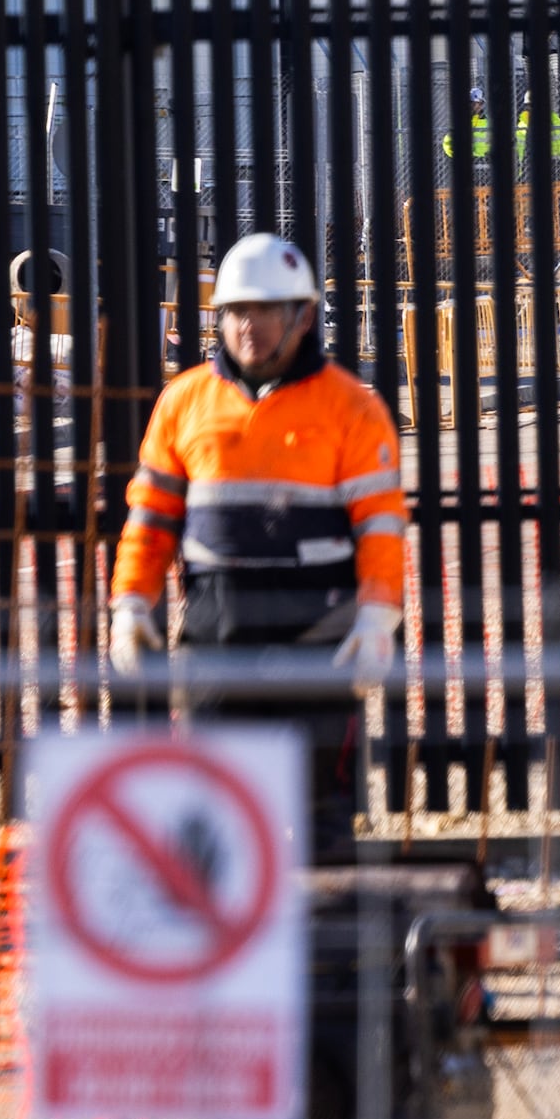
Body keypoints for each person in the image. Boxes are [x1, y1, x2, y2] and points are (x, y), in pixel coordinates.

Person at [106, 232, 405, 854]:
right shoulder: (184, 402)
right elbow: (152, 516)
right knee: (216, 805)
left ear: (304, 317)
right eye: (237, 310)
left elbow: (380, 523)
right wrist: (131, 602)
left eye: (267, 310)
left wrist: (378, 617)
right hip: (217, 628)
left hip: (320, 630)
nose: (250, 326)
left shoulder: (351, 408)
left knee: (322, 808)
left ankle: (327, 917)